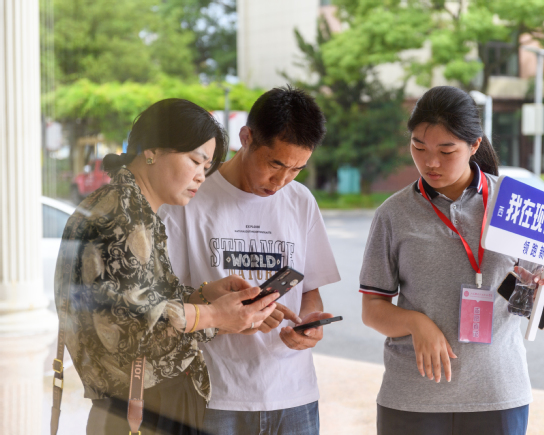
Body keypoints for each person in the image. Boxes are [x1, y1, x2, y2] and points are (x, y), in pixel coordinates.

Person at [53, 99, 280, 435]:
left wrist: (206, 296)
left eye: (207, 167)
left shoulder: (133, 208)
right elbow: (133, 325)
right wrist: (216, 315)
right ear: (152, 151)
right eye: (196, 161)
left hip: (146, 402)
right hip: (142, 407)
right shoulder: (122, 215)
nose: (201, 176)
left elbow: (138, 299)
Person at [359, 86, 544, 435]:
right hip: (412, 399)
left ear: (474, 145)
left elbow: (533, 300)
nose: (430, 162)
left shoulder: (513, 206)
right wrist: (415, 323)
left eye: (446, 150)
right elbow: (372, 309)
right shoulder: (393, 214)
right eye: (419, 147)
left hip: (498, 395)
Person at [159, 86, 340, 435]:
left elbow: (309, 290)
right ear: (246, 137)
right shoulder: (190, 198)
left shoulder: (300, 201)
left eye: (297, 169)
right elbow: (164, 301)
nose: (281, 181)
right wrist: (222, 312)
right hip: (214, 395)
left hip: (294, 394)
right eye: (275, 164)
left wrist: (308, 324)